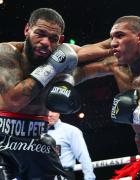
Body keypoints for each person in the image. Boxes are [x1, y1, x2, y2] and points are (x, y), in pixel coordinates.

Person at [0, 7, 116, 180]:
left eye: (53, 38)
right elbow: (13, 101)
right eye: (40, 33)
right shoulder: (6, 53)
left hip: (37, 138)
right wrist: (51, 67)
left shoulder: (63, 56)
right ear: (27, 30)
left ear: (60, 41)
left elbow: (103, 52)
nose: (46, 42)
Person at [72, 12, 140, 180]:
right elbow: (76, 67)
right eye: (111, 37)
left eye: (120, 36)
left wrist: (138, 114)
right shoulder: (116, 67)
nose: (113, 43)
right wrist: (60, 82)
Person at [47, 111, 96, 180]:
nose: (50, 114)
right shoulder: (35, 132)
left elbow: (83, 156)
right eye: (47, 111)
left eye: (53, 111)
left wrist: (90, 177)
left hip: (63, 175)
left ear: (59, 112)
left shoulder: (71, 131)